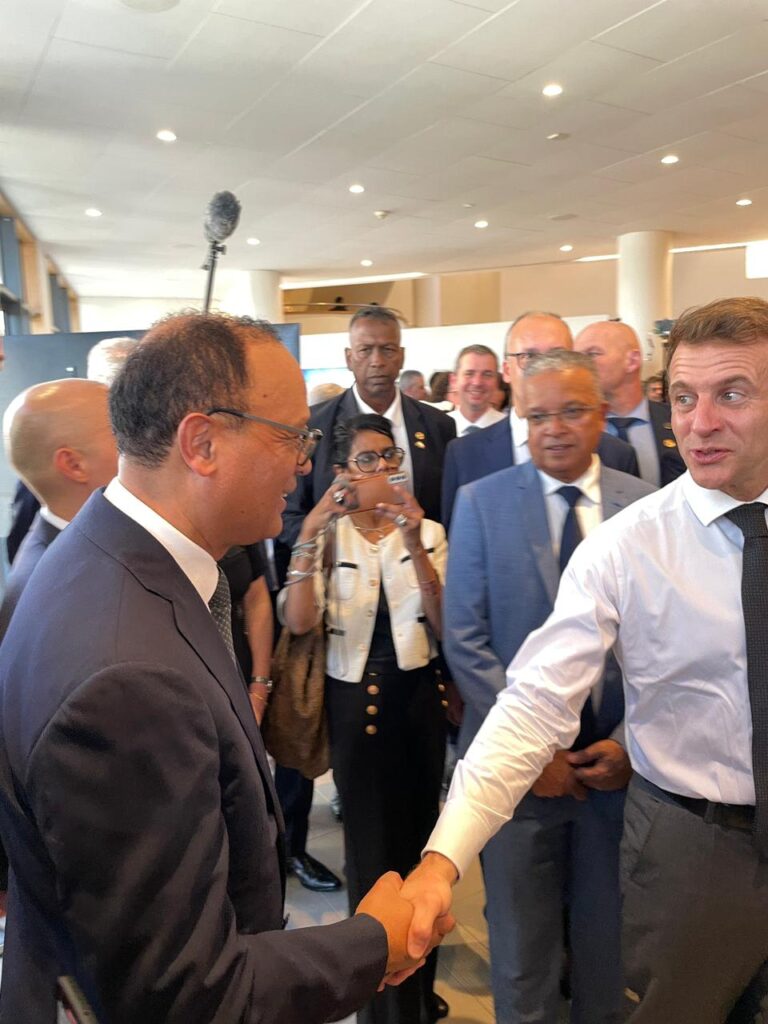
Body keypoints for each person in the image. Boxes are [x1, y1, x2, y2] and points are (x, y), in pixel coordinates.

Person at [0, 312, 450, 1024]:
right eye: (290, 436)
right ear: (202, 443)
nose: (304, 462)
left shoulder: (102, 556)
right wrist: (376, 942)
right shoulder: (128, 678)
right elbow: (186, 990)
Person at [400, 295, 768, 1023]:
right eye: (684, 397)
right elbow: (533, 702)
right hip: (694, 843)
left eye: (732, 394)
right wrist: (443, 858)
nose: (699, 423)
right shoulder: (629, 544)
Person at [444, 351, 655, 1023]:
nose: (554, 429)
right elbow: (466, 639)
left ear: (602, 415)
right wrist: (534, 752)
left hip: (614, 775)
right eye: (537, 416)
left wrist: (627, 743)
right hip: (517, 776)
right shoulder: (481, 502)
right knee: (521, 951)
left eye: (571, 412)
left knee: (607, 949)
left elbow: (664, 647)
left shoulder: (643, 507)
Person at [281, 412, 449, 1024]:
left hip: (418, 704)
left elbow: (444, 626)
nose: (382, 468)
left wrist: (413, 540)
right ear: (343, 472)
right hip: (355, 705)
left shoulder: (428, 531)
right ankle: (380, 1003)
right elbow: (299, 620)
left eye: (389, 456)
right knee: (372, 854)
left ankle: (418, 996)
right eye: (367, 459)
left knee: (424, 853)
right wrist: (313, 529)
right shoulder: (329, 535)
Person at [440, 312, 639, 525]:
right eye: (529, 356)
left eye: (558, 355)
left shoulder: (617, 454)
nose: (545, 368)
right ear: (506, 370)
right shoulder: (465, 454)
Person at [281, 307, 455, 549]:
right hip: (338, 566)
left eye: (388, 350)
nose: (377, 361)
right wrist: (332, 548)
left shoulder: (438, 425)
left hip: (418, 563)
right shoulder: (316, 427)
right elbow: (290, 516)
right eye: (365, 350)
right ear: (349, 358)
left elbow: (448, 512)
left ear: (401, 356)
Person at [0, 378, 118, 640]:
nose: (145, 444)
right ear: (74, 465)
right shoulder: (74, 595)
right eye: (122, 433)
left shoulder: (78, 552)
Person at [575, 320, 685, 486]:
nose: (579, 365)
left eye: (592, 354)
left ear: (632, 361)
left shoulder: (677, 420)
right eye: (576, 357)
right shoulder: (576, 429)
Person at [447, 345, 505, 436]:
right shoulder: (437, 429)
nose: (477, 382)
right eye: (469, 374)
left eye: (487, 375)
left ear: (497, 381)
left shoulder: (512, 429)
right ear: (453, 380)